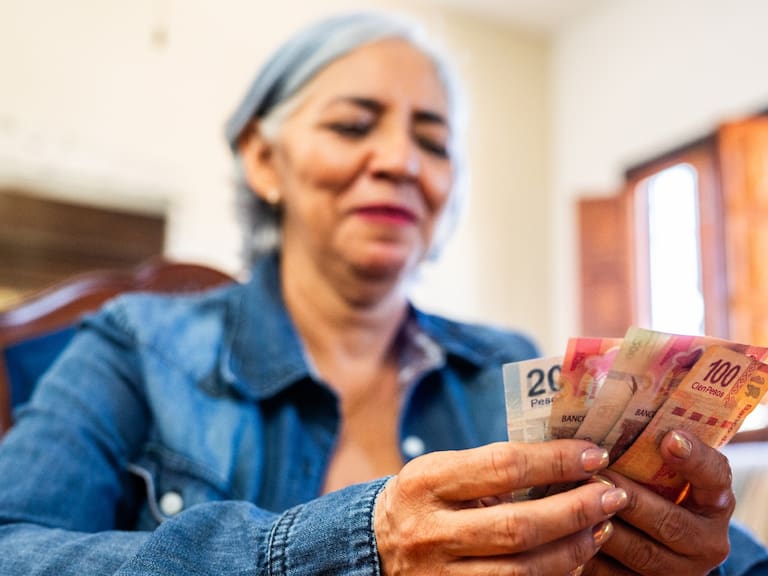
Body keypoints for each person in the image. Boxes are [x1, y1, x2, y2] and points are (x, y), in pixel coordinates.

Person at [0, 10, 764, 575]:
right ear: (265, 161)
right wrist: (352, 546)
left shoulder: (503, 363)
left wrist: (694, 549)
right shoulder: (133, 344)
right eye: (354, 124)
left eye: (433, 141)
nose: (400, 160)